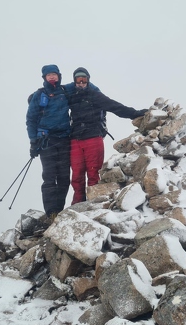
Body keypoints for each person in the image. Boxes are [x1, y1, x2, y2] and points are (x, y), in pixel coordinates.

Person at [68, 67, 148, 204]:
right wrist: (36, 98)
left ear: (88, 80)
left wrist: (134, 113)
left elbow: (114, 106)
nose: (81, 82)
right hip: (75, 140)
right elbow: (54, 102)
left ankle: (92, 204)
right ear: (74, 81)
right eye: (78, 80)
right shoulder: (70, 96)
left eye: (84, 79)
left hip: (93, 137)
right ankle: (77, 205)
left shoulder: (95, 95)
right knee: (76, 175)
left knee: (93, 173)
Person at [26, 64, 71, 219]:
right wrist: (33, 141)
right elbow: (31, 119)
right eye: (49, 75)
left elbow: (85, 86)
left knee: (64, 177)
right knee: (50, 176)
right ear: (44, 78)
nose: (52, 77)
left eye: (54, 74)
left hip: (65, 139)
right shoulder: (39, 95)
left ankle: (59, 209)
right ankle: (52, 212)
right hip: (46, 141)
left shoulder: (65, 91)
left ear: (59, 76)